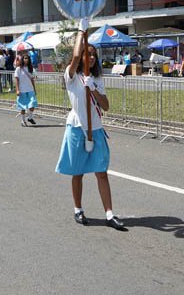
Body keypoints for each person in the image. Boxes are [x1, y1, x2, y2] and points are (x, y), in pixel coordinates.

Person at [55, 25, 126, 231]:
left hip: (96, 130)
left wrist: (93, 88)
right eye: (89, 54)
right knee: (77, 173)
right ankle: (78, 209)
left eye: (94, 55)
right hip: (77, 129)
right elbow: (76, 56)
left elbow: (106, 106)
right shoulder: (71, 76)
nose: (92, 58)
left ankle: (109, 214)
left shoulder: (96, 79)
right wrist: (81, 30)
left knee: (101, 172)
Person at [14, 53, 38, 126]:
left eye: (27, 58)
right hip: (22, 90)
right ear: (22, 59)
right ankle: (23, 121)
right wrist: (17, 90)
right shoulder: (18, 69)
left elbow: (32, 80)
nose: (26, 59)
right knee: (23, 107)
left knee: (32, 105)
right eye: (25, 58)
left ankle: (30, 118)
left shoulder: (31, 69)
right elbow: (17, 80)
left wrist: (34, 89)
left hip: (30, 89)